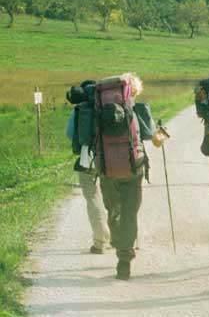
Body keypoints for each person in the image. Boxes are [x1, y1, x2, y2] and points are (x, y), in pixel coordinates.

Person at [97, 72, 156, 281]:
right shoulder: (138, 108)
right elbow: (150, 134)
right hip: (134, 168)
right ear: (134, 91)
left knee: (113, 209)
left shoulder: (99, 109)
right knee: (130, 214)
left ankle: (116, 241)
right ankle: (124, 260)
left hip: (107, 169)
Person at [65, 81, 110, 255]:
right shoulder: (110, 106)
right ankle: (118, 237)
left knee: (93, 198)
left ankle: (99, 242)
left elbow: (70, 134)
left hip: (87, 159)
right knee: (114, 196)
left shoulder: (79, 109)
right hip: (111, 157)